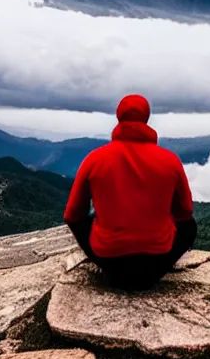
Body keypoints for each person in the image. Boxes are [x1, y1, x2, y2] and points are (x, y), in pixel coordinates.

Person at [64, 94, 197, 290]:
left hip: (111, 263)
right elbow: (185, 212)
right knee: (190, 226)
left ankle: (114, 270)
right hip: (156, 263)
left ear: (119, 117)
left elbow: (72, 215)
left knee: (87, 219)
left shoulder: (94, 159)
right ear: (147, 118)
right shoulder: (171, 161)